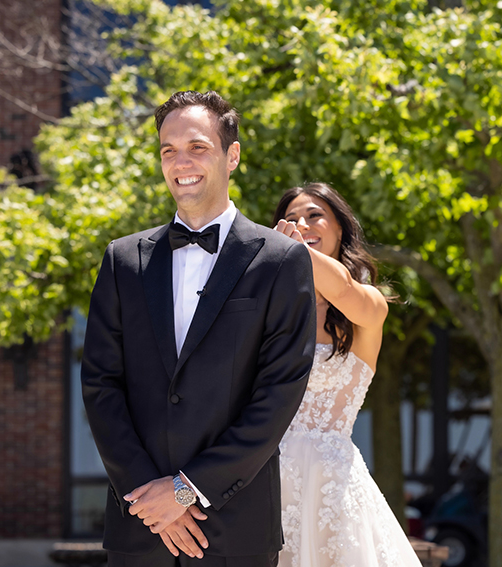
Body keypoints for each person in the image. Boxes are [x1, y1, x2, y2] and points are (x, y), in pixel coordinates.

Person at [81, 90, 316, 567]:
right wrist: (148, 496)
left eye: (197, 147)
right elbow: (100, 385)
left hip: (235, 530)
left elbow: (278, 396)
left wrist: (186, 491)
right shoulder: (122, 260)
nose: (180, 162)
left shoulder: (281, 261)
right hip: (140, 526)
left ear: (232, 156)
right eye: (168, 150)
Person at [272, 183, 421, 567]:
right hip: (265, 486)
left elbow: (340, 288)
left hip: (332, 491)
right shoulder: (272, 310)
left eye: (314, 216)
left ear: (340, 228)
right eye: (291, 219)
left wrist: (294, 250)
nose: (301, 225)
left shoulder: (369, 304)